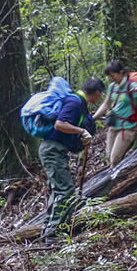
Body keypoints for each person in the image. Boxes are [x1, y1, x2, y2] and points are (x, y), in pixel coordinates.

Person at [40, 77, 103, 244]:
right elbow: (60, 124)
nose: (100, 98)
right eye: (100, 95)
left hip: (55, 149)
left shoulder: (78, 102)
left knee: (58, 190)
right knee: (65, 190)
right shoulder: (74, 102)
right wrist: (82, 131)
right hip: (52, 148)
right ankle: (53, 234)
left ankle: (49, 231)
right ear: (97, 93)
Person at [92, 60, 137, 169]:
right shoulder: (112, 87)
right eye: (110, 76)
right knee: (109, 157)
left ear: (121, 73)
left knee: (115, 158)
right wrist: (93, 118)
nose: (111, 79)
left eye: (113, 76)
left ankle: (119, 182)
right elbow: (106, 104)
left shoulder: (132, 85)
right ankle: (118, 177)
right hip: (114, 126)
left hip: (127, 128)